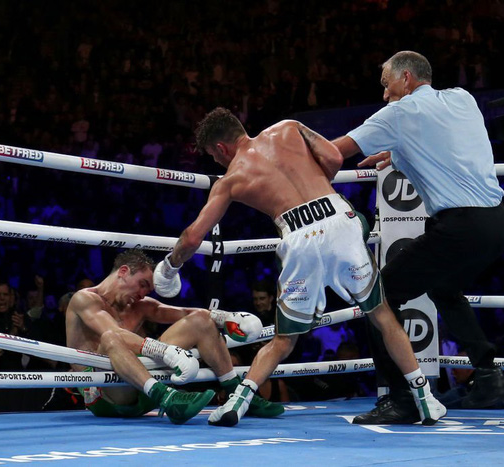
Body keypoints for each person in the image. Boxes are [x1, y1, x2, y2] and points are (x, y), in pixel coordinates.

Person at [153, 107, 446, 427]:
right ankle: (425, 399)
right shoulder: (288, 127)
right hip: (339, 218)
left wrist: (170, 265)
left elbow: (194, 237)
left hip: (298, 236)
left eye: (213, 156)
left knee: (283, 338)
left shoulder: (230, 180)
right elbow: (334, 158)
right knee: (382, 315)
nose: (216, 162)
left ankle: (236, 404)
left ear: (221, 149)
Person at [331, 50, 504, 424]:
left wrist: (284, 147)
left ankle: (401, 399)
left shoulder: (399, 113)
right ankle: (489, 379)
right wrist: (398, 155)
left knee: (377, 297)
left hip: (460, 225)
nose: (384, 94)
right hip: (497, 223)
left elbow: (334, 152)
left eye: (386, 84)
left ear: (407, 78)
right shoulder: (463, 98)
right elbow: (447, 144)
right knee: (444, 289)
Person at [66, 249, 283, 424]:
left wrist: (225, 317)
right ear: (123, 271)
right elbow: (114, 333)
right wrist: (164, 351)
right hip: (107, 396)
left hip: (141, 388)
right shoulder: (85, 300)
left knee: (200, 320)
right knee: (111, 337)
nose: (143, 294)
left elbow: (185, 313)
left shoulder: (139, 306)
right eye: (142, 284)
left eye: (148, 290)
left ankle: (238, 395)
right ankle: (168, 399)